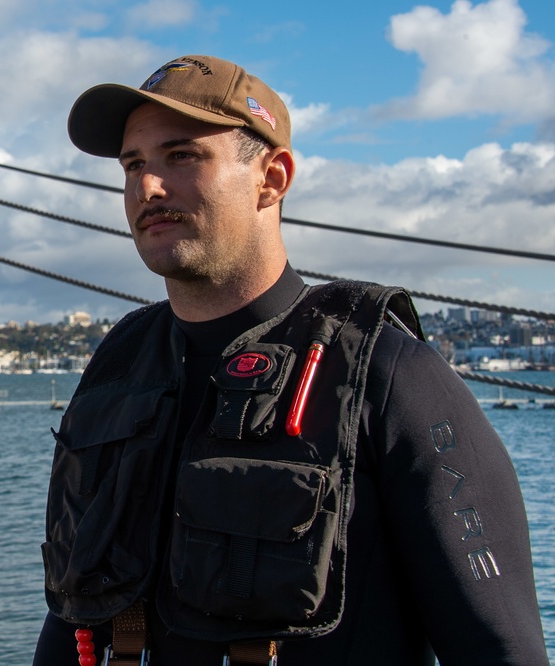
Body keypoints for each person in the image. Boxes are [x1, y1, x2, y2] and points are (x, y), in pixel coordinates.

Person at [33, 55, 549, 665]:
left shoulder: (386, 375)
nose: (148, 187)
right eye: (133, 164)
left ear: (272, 178)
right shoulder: (117, 370)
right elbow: (74, 615)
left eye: (182, 156)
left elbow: (500, 649)